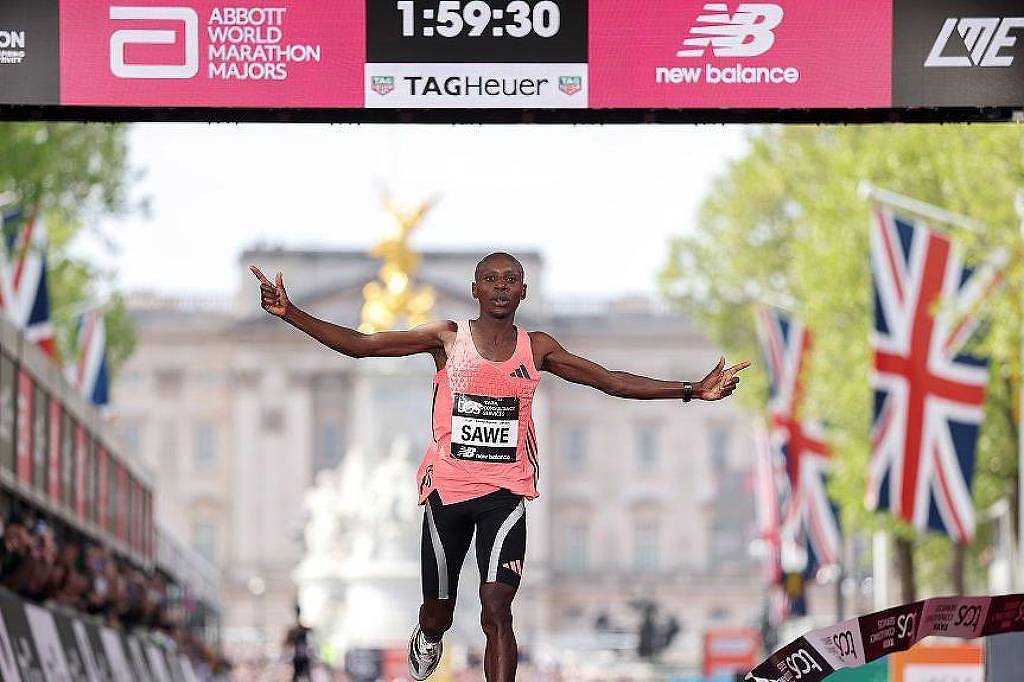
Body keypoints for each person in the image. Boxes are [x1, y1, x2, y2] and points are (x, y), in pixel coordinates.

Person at [250, 253, 749, 682]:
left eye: (511, 280)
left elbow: (609, 381)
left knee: (496, 609)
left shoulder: (539, 348)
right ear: (475, 289)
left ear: (524, 291)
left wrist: (691, 391)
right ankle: (428, 635)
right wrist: (290, 312)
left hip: (505, 496)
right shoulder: (446, 338)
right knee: (439, 612)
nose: (501, 288)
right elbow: (362, 345)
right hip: (447, 493)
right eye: (491, 279)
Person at [283, 605, 314, 681]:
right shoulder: (295, 631)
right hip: (298, 658)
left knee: (306, 676)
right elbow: (286, 644)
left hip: (303, 657)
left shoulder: (300, 630)